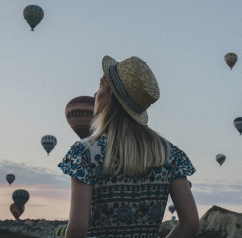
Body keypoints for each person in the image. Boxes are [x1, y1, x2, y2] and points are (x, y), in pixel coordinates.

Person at [58, 56, 199, 238]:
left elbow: (77, 230)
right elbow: (191, 223)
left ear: (112, 98)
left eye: (101, 86)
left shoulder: (85, 153)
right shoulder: (170, 154)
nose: (95, 94)